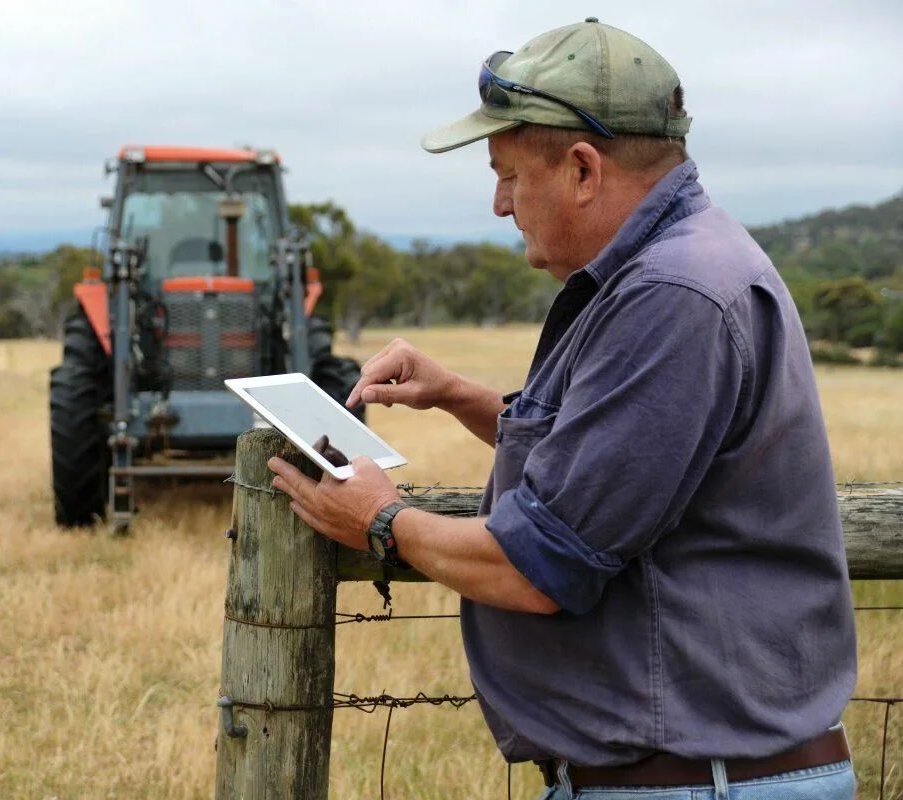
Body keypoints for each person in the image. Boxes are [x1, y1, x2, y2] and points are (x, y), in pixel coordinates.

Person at [267, 17, 858, 800]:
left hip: (697, 785)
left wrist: (383, 519)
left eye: (509, 173)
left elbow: (539, 566)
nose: (500, 205)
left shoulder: (671, 296)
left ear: (583, 169)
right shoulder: (680, 265)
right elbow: (615, 458)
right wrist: (455, 396)